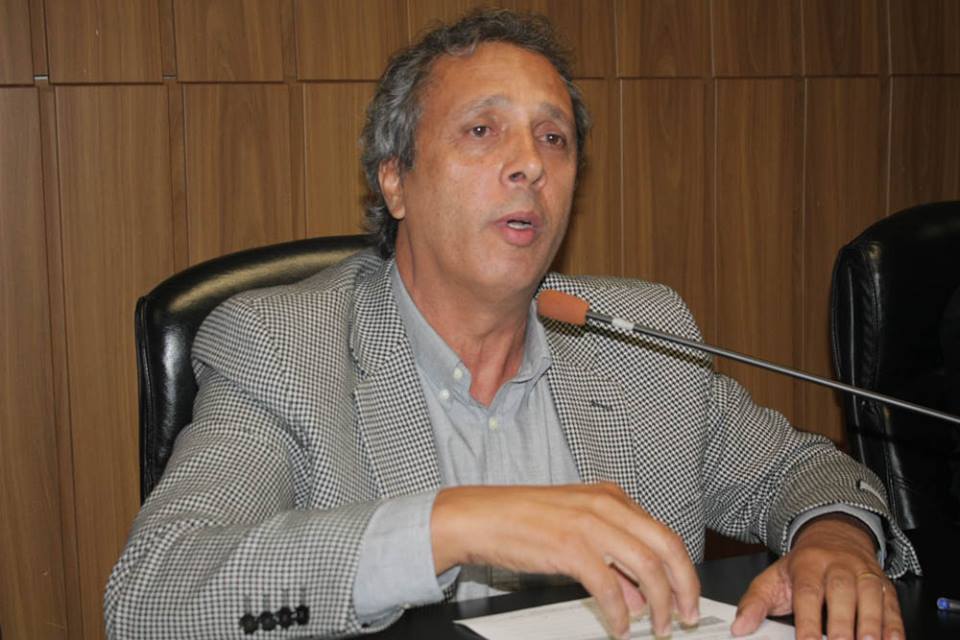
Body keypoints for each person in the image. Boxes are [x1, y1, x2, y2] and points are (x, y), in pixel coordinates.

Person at [106, 10, 920, 640]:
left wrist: (837, 541)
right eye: (482, 130)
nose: (531, 163)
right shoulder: (284, 345)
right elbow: (152, 595)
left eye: (553, 138)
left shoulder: (636, 337)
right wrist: (456, 524)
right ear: (395, 181)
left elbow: (801, 470)